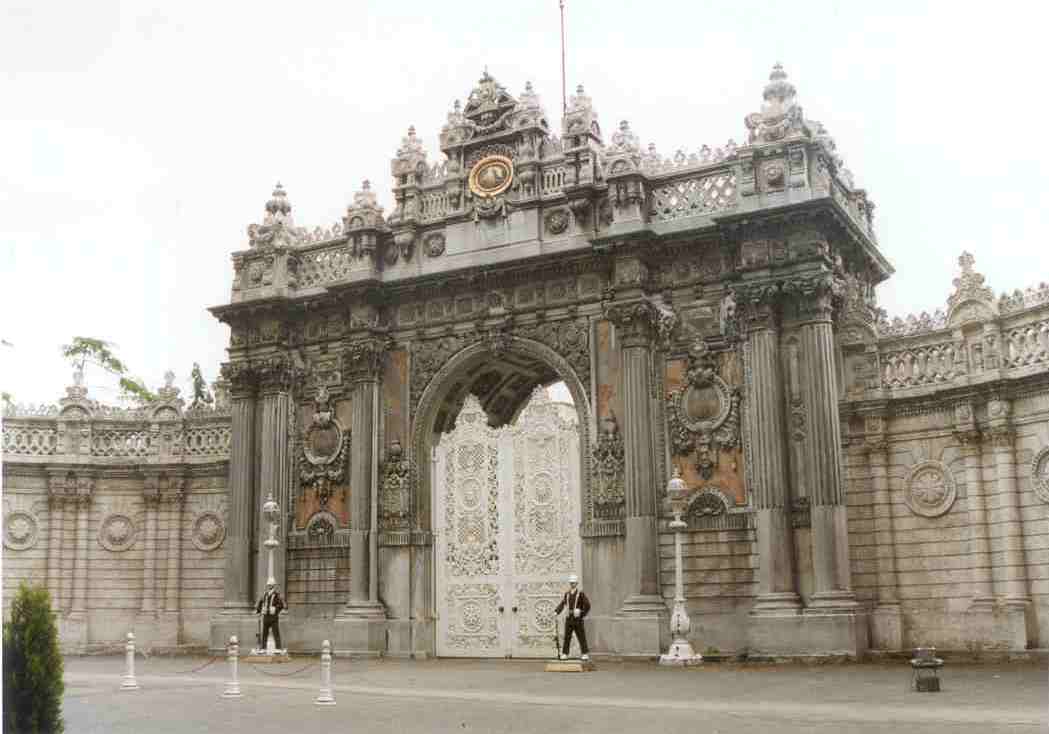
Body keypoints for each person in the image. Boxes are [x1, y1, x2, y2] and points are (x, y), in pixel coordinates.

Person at [555, 573, 590, 661]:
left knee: (581, 636)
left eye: (574, 583)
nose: (572, 584)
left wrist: (581, 612)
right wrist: (557, 611)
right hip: (569, 618)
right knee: (567, 636)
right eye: (571, 583)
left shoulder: (580, 594)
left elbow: (587, 605)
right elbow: (563, 603)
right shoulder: (567, 594)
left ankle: (584, 653)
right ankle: (565, 653)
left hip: (577, 619)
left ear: (576, 583)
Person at [255, 581, 286, 650]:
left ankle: (278, 648)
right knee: (264, 633)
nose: (269, 586)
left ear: (273, 586)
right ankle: (263, 648)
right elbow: (260, 602)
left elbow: (281, 605)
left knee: (276, 633)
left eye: (271, 585)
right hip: (266, 616)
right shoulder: (265, 594)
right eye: (268, 585)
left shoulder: (277, 595)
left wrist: (275, 609)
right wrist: (258, 611)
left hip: (273, 617)